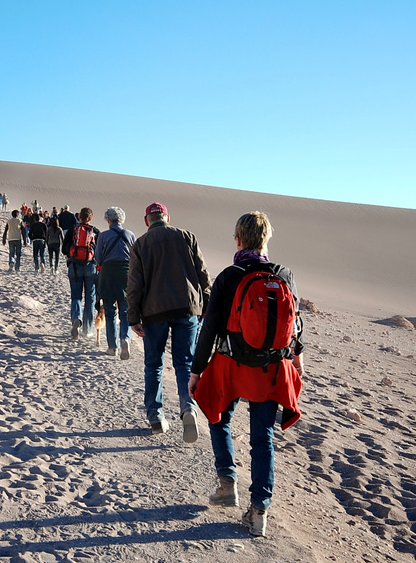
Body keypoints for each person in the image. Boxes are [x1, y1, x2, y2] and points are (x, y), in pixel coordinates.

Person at [188, 211, 304, 538]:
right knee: (261, 437)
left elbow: (209, 328)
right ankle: (259, 511)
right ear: (266, 239)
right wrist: (296, 362)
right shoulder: (285, 274)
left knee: (218, 417)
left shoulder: (230, 275)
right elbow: (295, 326)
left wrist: (197, 371)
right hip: (271, 369)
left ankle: (227, 483)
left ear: (238, 238)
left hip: (232, 366)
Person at [127, 202, 211, 439]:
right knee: (185, 363)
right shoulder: (186, 237)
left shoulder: (141, 244)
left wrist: (133, 316)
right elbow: (203, 273)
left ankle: (156, 416)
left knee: (154, 365)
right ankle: (188, 408)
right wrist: (206, 305)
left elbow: (134, 284)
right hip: (187, 308)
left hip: (154, 313)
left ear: (147, 221)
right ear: (167, 218)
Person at [94, 207, 136, 359]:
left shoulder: (103, 236)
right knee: (125, 311)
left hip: (108, 273)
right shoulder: (130, 234)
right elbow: (135, 256)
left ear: (108, 220)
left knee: (110, 311)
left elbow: (98, 258)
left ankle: (113, 347)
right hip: (126, 274)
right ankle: (125, 338)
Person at [63, 207, 99, 338]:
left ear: (79, 217)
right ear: (91, 218)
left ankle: (76, 319)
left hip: (75, 267)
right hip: (91, 267)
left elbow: (64, 249)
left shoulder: (73, 230)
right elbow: (100, 252)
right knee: (90, 298)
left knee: (76, 296)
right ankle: (87, 329)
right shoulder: (95, 231)